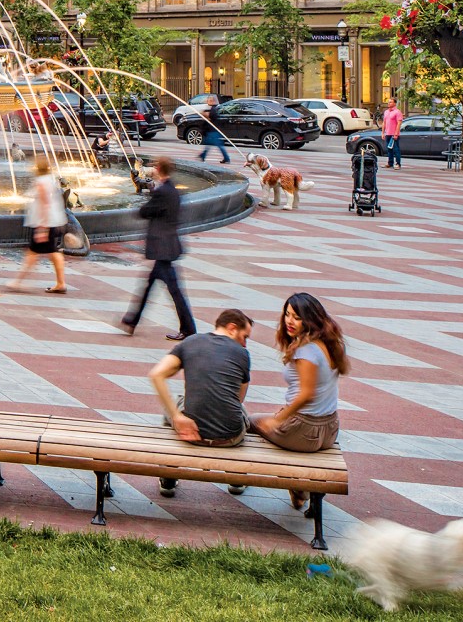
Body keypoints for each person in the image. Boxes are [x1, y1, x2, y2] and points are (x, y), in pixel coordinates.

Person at [251, 293, 349, 508]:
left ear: (310, 319)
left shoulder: (306, 351)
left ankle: (240, 477)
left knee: (249, 421)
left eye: (296, 317)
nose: (289, 321)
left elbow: (307, 394)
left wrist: (278, 419)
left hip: (304, 432)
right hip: (329, 429)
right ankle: (298, 487)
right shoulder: (331, 344)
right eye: (287, 314)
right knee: (266, 420)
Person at [150, 308, 254, 499]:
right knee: (242, 412)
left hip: (192, 434)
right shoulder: (243, 354)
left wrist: (177, 416)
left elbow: (156, 374)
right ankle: (237, 476)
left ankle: (168, 474)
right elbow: (238, 400)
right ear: (232, 328)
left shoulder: (189, 342)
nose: (245, 343)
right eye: (244, 336)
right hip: (229, 439)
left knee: (172, 407)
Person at [119, 158, 197, 341]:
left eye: (154, 166)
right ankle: (131, 320)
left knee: (175, 291)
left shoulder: (162, 191)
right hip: (168, 245)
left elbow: (145, 211)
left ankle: (188, 329)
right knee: (150, 286)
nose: (152, 169)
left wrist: (150, 196)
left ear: (159, 169)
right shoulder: (173, 189)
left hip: (162, 247)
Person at [12, 157, 68, 293]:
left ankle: (17, 282)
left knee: (33, 253)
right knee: (53, 252)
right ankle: (61, 283)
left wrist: (42, 228)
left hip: (44, 223)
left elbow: (45, 204)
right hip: (54, 221)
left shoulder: (41, 182)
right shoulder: (50, 179)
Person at [381, 98, 404, 169]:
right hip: (387, 133)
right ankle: (390, 163)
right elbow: (384, 122)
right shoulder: (386, 112)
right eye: (388, 102)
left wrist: (396, 134)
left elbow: (399, 123)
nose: (389, 103)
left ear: (394, 103)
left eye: (390, 102)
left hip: (394, 134)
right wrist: (383, 133)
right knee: (389, 149)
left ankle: (398, 163)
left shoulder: (397, 112)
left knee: (396, 149)